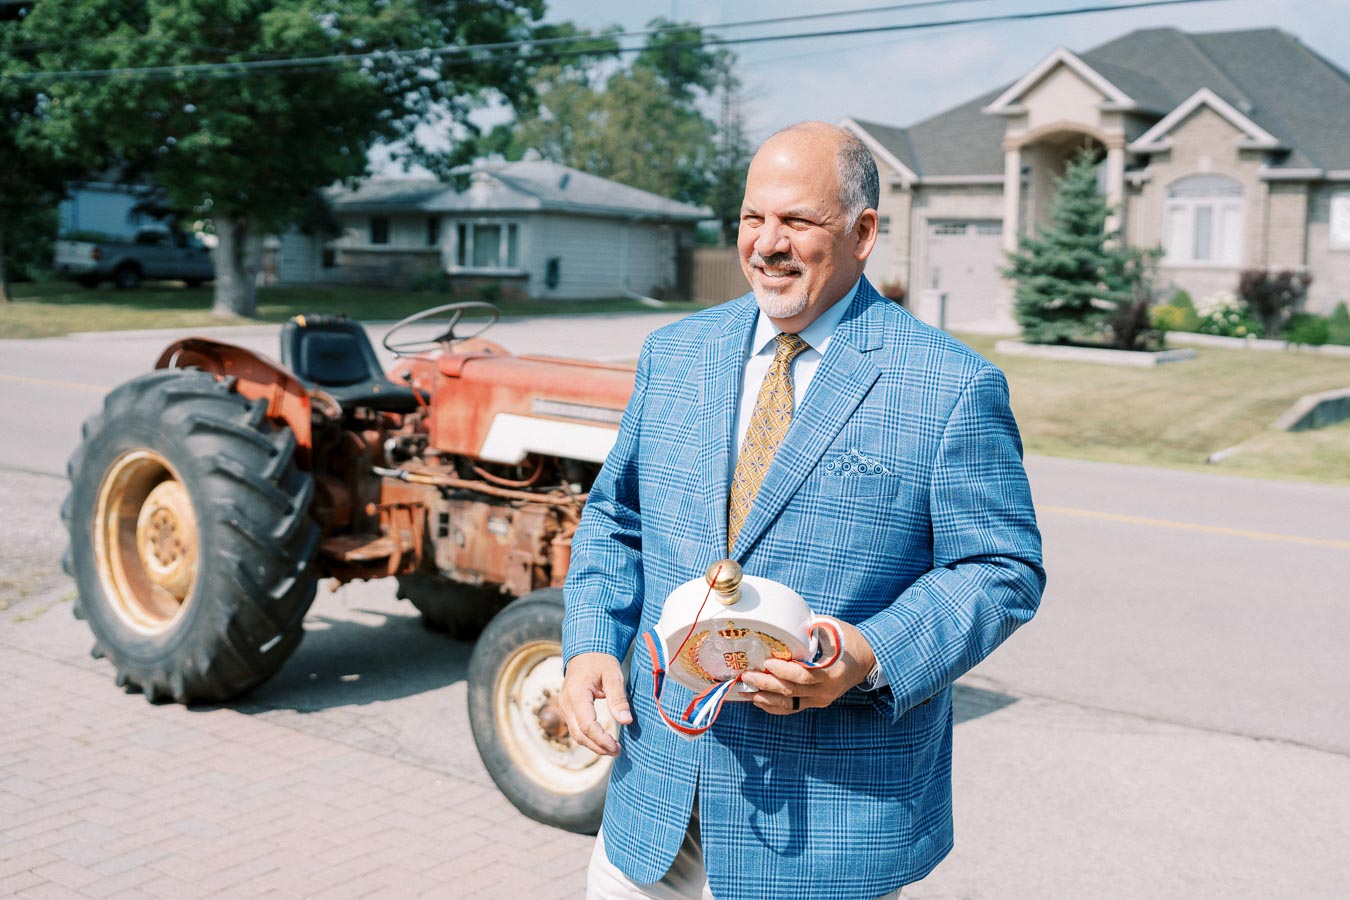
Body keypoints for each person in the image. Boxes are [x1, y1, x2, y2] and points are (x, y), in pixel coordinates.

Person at [560, 121, 1045, 900]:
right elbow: (618, 519)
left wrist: (868, 653)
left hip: (825, 839)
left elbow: (1000, 569)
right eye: (754, 218)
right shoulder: (675, 352)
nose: (767, 244)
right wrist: (587, 644)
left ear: (862, 233)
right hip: (652, 816)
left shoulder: (949, 385)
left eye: (798, 222)